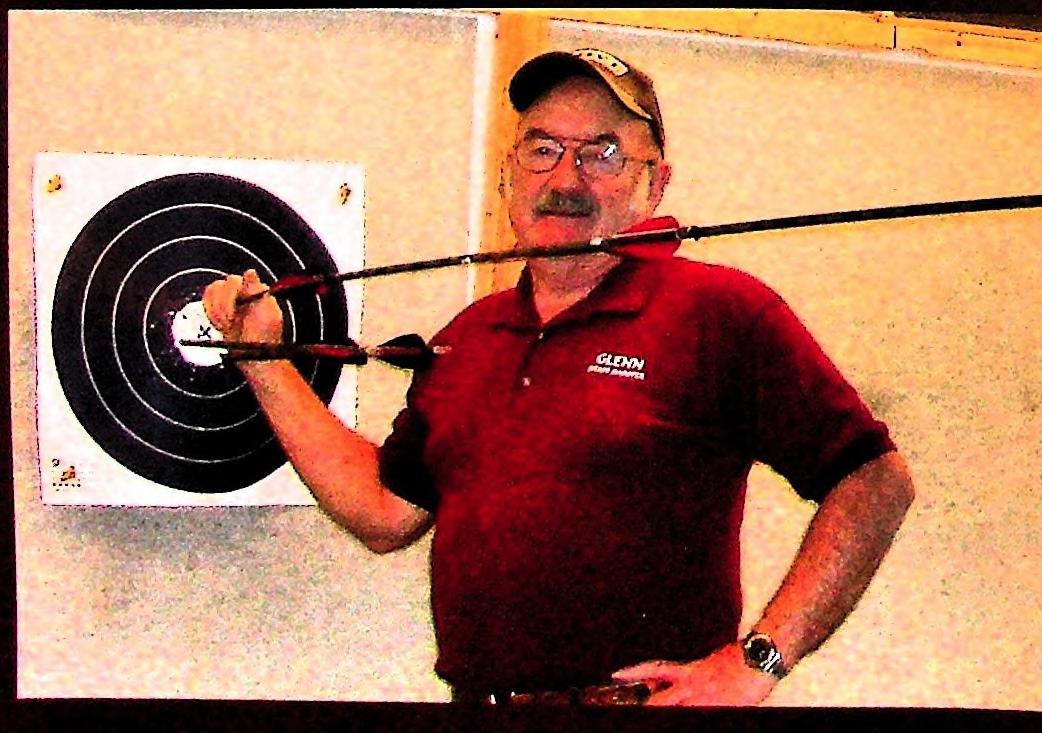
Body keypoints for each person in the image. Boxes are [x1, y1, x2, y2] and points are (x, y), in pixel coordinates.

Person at [203, 48, 915, 706]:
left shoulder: (719, 311)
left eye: (602, 153)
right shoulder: (469, 337)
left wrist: (759, 659)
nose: (566, 180)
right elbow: (385, 513)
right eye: (542, 149)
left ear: (654, 182)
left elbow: (875, 482)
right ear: (509, 174)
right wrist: (263, 360)